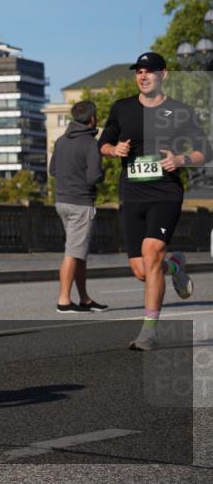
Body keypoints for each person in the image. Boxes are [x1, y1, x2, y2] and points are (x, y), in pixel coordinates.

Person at [98, 51, 208, 350]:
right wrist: (114, 150)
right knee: (142, 271)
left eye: (149, 71)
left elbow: (204, 150)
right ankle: (176, 266)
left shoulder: (181, 111)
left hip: (165, 193)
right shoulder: (122, 108)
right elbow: (103, 143)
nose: (143, 76)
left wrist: (182, 159)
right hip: (132, 194)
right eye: (139, 72)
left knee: (152, 252)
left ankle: (148, 332)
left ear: (164, 74)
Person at [49, 100, 107, 313]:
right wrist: (102, 175)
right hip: (80, 203)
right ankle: (64, 300)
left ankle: (85, 298)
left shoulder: (62, 141)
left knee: (78, 251)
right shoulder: (91, 144)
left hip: (61, 201)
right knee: (73, 252)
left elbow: (53, 170)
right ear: (92, 119)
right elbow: (93, 177)